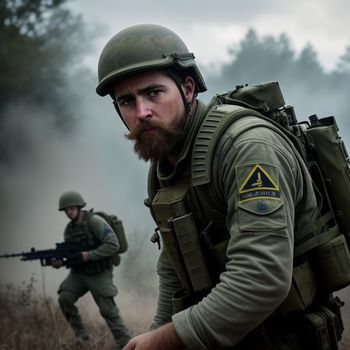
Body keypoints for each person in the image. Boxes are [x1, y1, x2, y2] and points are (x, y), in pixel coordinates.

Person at [95, 24, 337, 350]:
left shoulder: (247, 149)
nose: (142, 112)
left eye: (153, 93)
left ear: (189, 89)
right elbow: (175, 263)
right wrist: (156, 331)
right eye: (126, 101)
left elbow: (261, 278)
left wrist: (166, 340)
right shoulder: (168, 163)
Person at [53, 191, 130, 350]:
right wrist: (61, 261)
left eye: (72, 208)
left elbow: (113, 245)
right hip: (79, 273)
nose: (69, 212)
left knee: (108, 310)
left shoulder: (95, 222)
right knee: (64, 297)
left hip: (100, 272)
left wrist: (89, 255)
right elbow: (72, 255)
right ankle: (82, 337)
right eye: (66, 210)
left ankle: (125, 343)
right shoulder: (69, 229)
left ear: (79, 207)